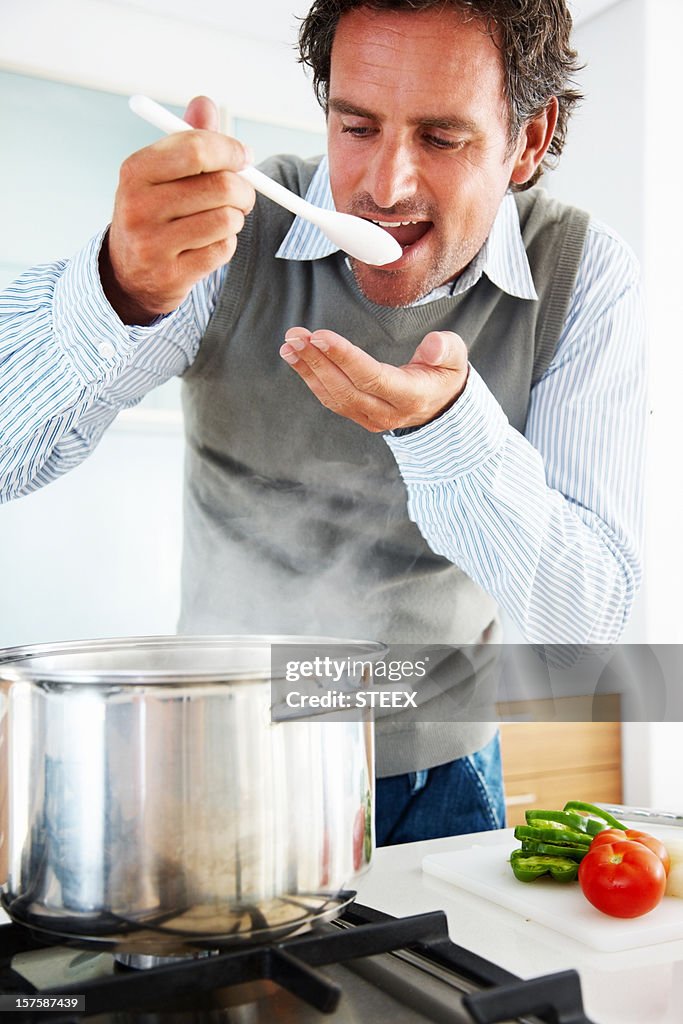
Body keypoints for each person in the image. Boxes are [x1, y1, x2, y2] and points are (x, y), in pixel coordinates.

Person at [0, 0, 646, 845]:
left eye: (440, 138)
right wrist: (122, 290)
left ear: (526, 141)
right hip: (224, 755)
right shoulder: (225, 234)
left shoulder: (584, 274)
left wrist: (445, 431)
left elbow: (583, 624)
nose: (384, 186)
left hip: (444, 776)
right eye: (356, 125)